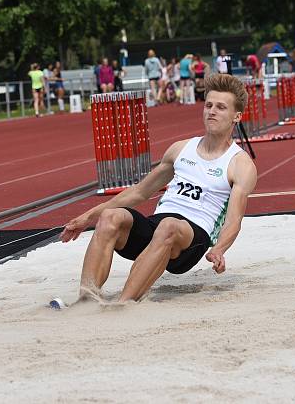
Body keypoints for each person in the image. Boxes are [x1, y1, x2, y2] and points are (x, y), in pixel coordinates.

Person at [60, 74, 258, 302]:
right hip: (158, 229)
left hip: (192, 239)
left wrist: (220, 249)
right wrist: (86, 218)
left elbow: (234, 221)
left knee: (168, 226)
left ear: (237, 116)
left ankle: (123, 304)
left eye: (221, 107)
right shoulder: (180, 149)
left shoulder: (240, 164)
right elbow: (138, 193)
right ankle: (86, 298)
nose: (212, 111)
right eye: (209, 105)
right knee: (110, 216)